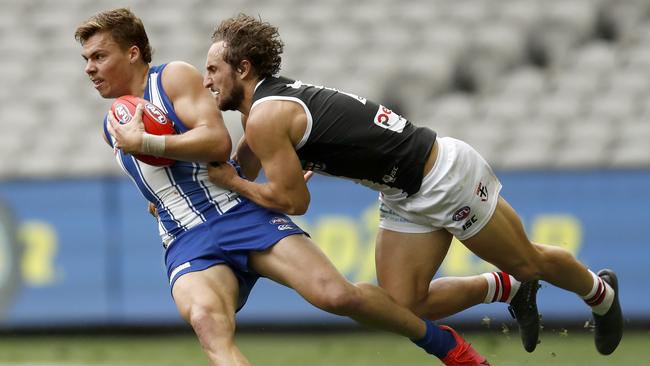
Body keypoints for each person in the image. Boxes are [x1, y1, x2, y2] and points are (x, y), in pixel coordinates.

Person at [75, 8, 491, 366]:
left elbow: (216, 141)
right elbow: (165, 176)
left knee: (335, 295)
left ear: (132, 53)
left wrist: (145, 142)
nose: (89, 68)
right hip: (185, 237)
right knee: (207, 322)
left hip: (238, 212)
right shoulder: (112, 124)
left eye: (99, 56)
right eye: (86, 59)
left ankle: (447, 346)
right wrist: (158, 197)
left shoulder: (173, 78)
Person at [205, 14, 623, 356]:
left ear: (243, 69)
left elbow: (293, 201)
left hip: (443, 177)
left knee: (528, 261)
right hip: (402, 194)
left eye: (212, 69)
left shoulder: (264, 117)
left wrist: (230, 182)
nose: (206, 81)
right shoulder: (258, 113)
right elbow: (240, 167)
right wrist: (189, 187)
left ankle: (600, 294)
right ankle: (508, 288)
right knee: (404, 303)